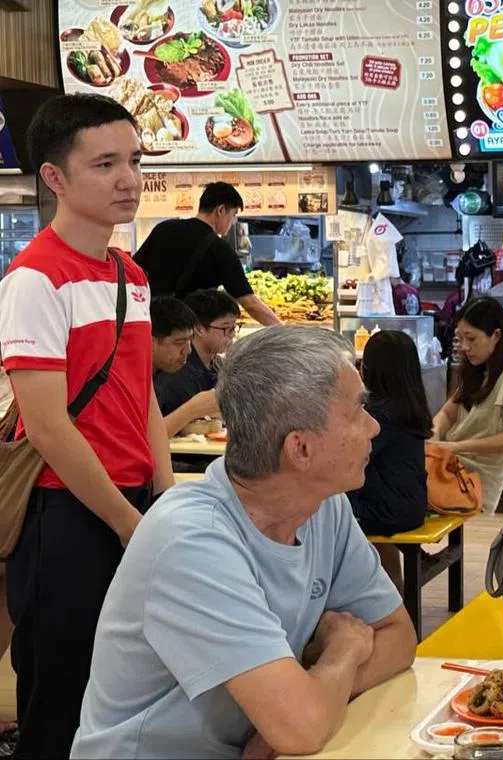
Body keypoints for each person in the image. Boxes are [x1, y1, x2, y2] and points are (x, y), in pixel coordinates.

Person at [72, 327, 417, 759]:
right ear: (301, 449)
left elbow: (398, 637)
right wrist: (342, 654)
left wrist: (305, 698)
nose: (373, 426)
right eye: (357, 411)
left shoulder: (324, 509)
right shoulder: (191, 542)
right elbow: (302, 729)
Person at [0, 92, 175, 759]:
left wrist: (161, 496)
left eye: (132, 159)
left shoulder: (130, 273)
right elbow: (47, 427)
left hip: (129, 506)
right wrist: (127, 522)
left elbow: (142, 398)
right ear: (54, 177)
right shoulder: (33, 280)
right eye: (104, 164)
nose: (128, 179)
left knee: (124, 686)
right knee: (59, 695)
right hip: (62, 516)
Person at [348, 330, 432, 588]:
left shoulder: (380, 414)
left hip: (388, 512)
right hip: (411, 505)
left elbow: (350, 456)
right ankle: (392, 589)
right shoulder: (409, 404)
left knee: (325, 511)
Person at [134, 182, 280, 326]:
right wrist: (285, 331)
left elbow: (133, 271)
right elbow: (250, 303)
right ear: (221, 210)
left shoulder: (163, 229)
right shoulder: (220, 250)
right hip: (191, 332)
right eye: (233, 214)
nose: (233, 221)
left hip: (154, 327)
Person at [432, 296, 503, 512]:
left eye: (471, 339)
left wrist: (455, 447)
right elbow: (447, 414)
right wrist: (435, 434)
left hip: (475, 483)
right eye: (461, 338)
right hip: (454, 468)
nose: (465, 346)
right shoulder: (477, 370)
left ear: (496, 335)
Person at [154, 288, 238, 430]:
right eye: (226, 328)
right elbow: (152, 436)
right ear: (199, 329)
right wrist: (193, 409)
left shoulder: (219, 366)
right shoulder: (174, 373)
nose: (232, 335)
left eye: (234, 328)